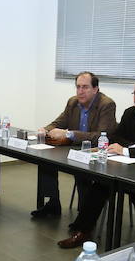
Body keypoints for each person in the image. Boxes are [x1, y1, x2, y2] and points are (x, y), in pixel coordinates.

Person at [58, 75, 135, 248]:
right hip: (128, 167)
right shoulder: (131, 113)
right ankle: (83, 231)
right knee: (100, 185)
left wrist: (127, 150)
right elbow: (116, 137)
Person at [31, 71, 117, 218]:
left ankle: (85, 215)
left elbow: (101, 136)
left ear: (96, 89)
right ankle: (53, 203)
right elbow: (59, 122)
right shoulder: (73, 102)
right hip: (75, 147)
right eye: (78, 87)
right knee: (46, 160)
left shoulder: (106, 104)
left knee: (80, 169)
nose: (80, 91)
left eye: (85, 87)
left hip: (97, 151)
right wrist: (45, 130)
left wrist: (69, 134)